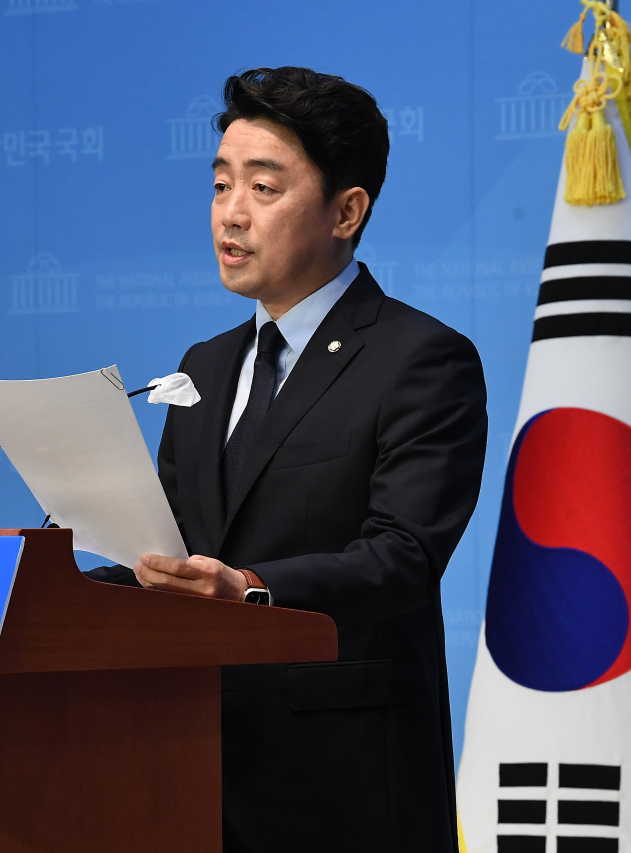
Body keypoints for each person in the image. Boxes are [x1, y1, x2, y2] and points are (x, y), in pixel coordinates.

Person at [92, 67, 487, 852]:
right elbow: (172, 554)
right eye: (220, 185)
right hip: (186, 766)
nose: (230, 214)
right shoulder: (201, 366)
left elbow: (402, 557)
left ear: (347, 210)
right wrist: (36, 587)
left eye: (264, 188)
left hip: (340, 783)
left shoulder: (422, 358)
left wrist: (249, 588)